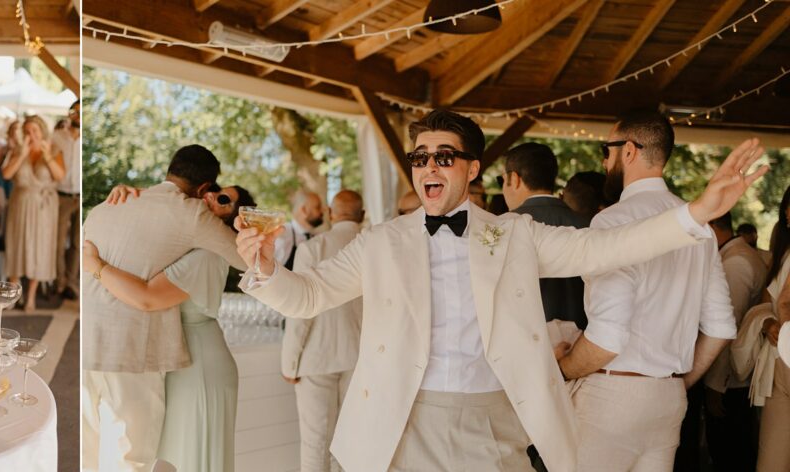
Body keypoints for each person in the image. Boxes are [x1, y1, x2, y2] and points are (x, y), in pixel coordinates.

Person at [235, 108, 764, 472]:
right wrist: (263, 268)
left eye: (444, 156)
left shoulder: (513, 235)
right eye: (421, 157)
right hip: (400, 421)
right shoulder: (380, 242)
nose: (429, 167)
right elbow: (305, 296)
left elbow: (607, 249)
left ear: (472, 168)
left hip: (492, 422)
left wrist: (694, 213)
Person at [557, 110, 741, 472]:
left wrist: (562, 368)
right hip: (669, 399)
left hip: (613, 395)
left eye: (605, 151)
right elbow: (720, 327)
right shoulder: (697, 226)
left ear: (628, 151)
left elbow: (607, 339)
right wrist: (674, 381)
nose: (605, 161)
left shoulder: (612, 221)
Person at [80, 144, 246, 472]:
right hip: (133, 353)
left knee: (88, 454)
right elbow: (247, 261)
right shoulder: (192, 214)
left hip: (86, 343)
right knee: (131, 459)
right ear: (203, 189)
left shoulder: (107, 206)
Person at [284, 189, 365, 472]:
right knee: (352, 442)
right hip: (363, 360)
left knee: (315, 444)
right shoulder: (379, 247)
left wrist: (290, 363)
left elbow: (300, 312)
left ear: (331, 214)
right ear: (363, 215)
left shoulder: (313, 249)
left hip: (317, 358)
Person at [701, 212, 767, 470]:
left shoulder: (736, 261)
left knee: (729, 450)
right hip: (737, 374)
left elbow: (728, 325)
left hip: (732, 378)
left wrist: (716, 385)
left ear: (712, 225)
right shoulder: (737, 254)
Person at [502, 142, 590, 329]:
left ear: (515, 179)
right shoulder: (588, 225)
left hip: (523, 337)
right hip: (581, 338)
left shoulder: (502, 228)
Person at [3, 115, 63, 312]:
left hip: (44, 207)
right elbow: (7, 174)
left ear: (42, 131)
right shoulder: (17, 151)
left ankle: (31, 297)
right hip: (20, 204)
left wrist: (46, 156)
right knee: (17, 246)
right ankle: (14, 294)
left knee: (40, 248)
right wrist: (22, 154)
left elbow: (59, 176)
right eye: (27, 131)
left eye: (35, 131)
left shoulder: (54, 150)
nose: (31, 135)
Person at [757, 184, 790, 470]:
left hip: (785, 356)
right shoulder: (784, 256)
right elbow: (768, 305)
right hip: (780, 360)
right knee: (771, 459)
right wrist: (768, 323)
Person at [54, 100, 81, 300]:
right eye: (76, 112)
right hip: (61, 196)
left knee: (77, 244)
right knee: (58, 242)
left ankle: (71, 282)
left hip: (80, 196)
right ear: (70, 114)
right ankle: (59, 282)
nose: (79, 116)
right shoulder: (56, 137)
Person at [274, 190, 324, 271]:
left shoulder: (318, 237)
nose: (322, 211)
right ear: (304, 210)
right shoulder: (282, 235)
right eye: (317, 207)